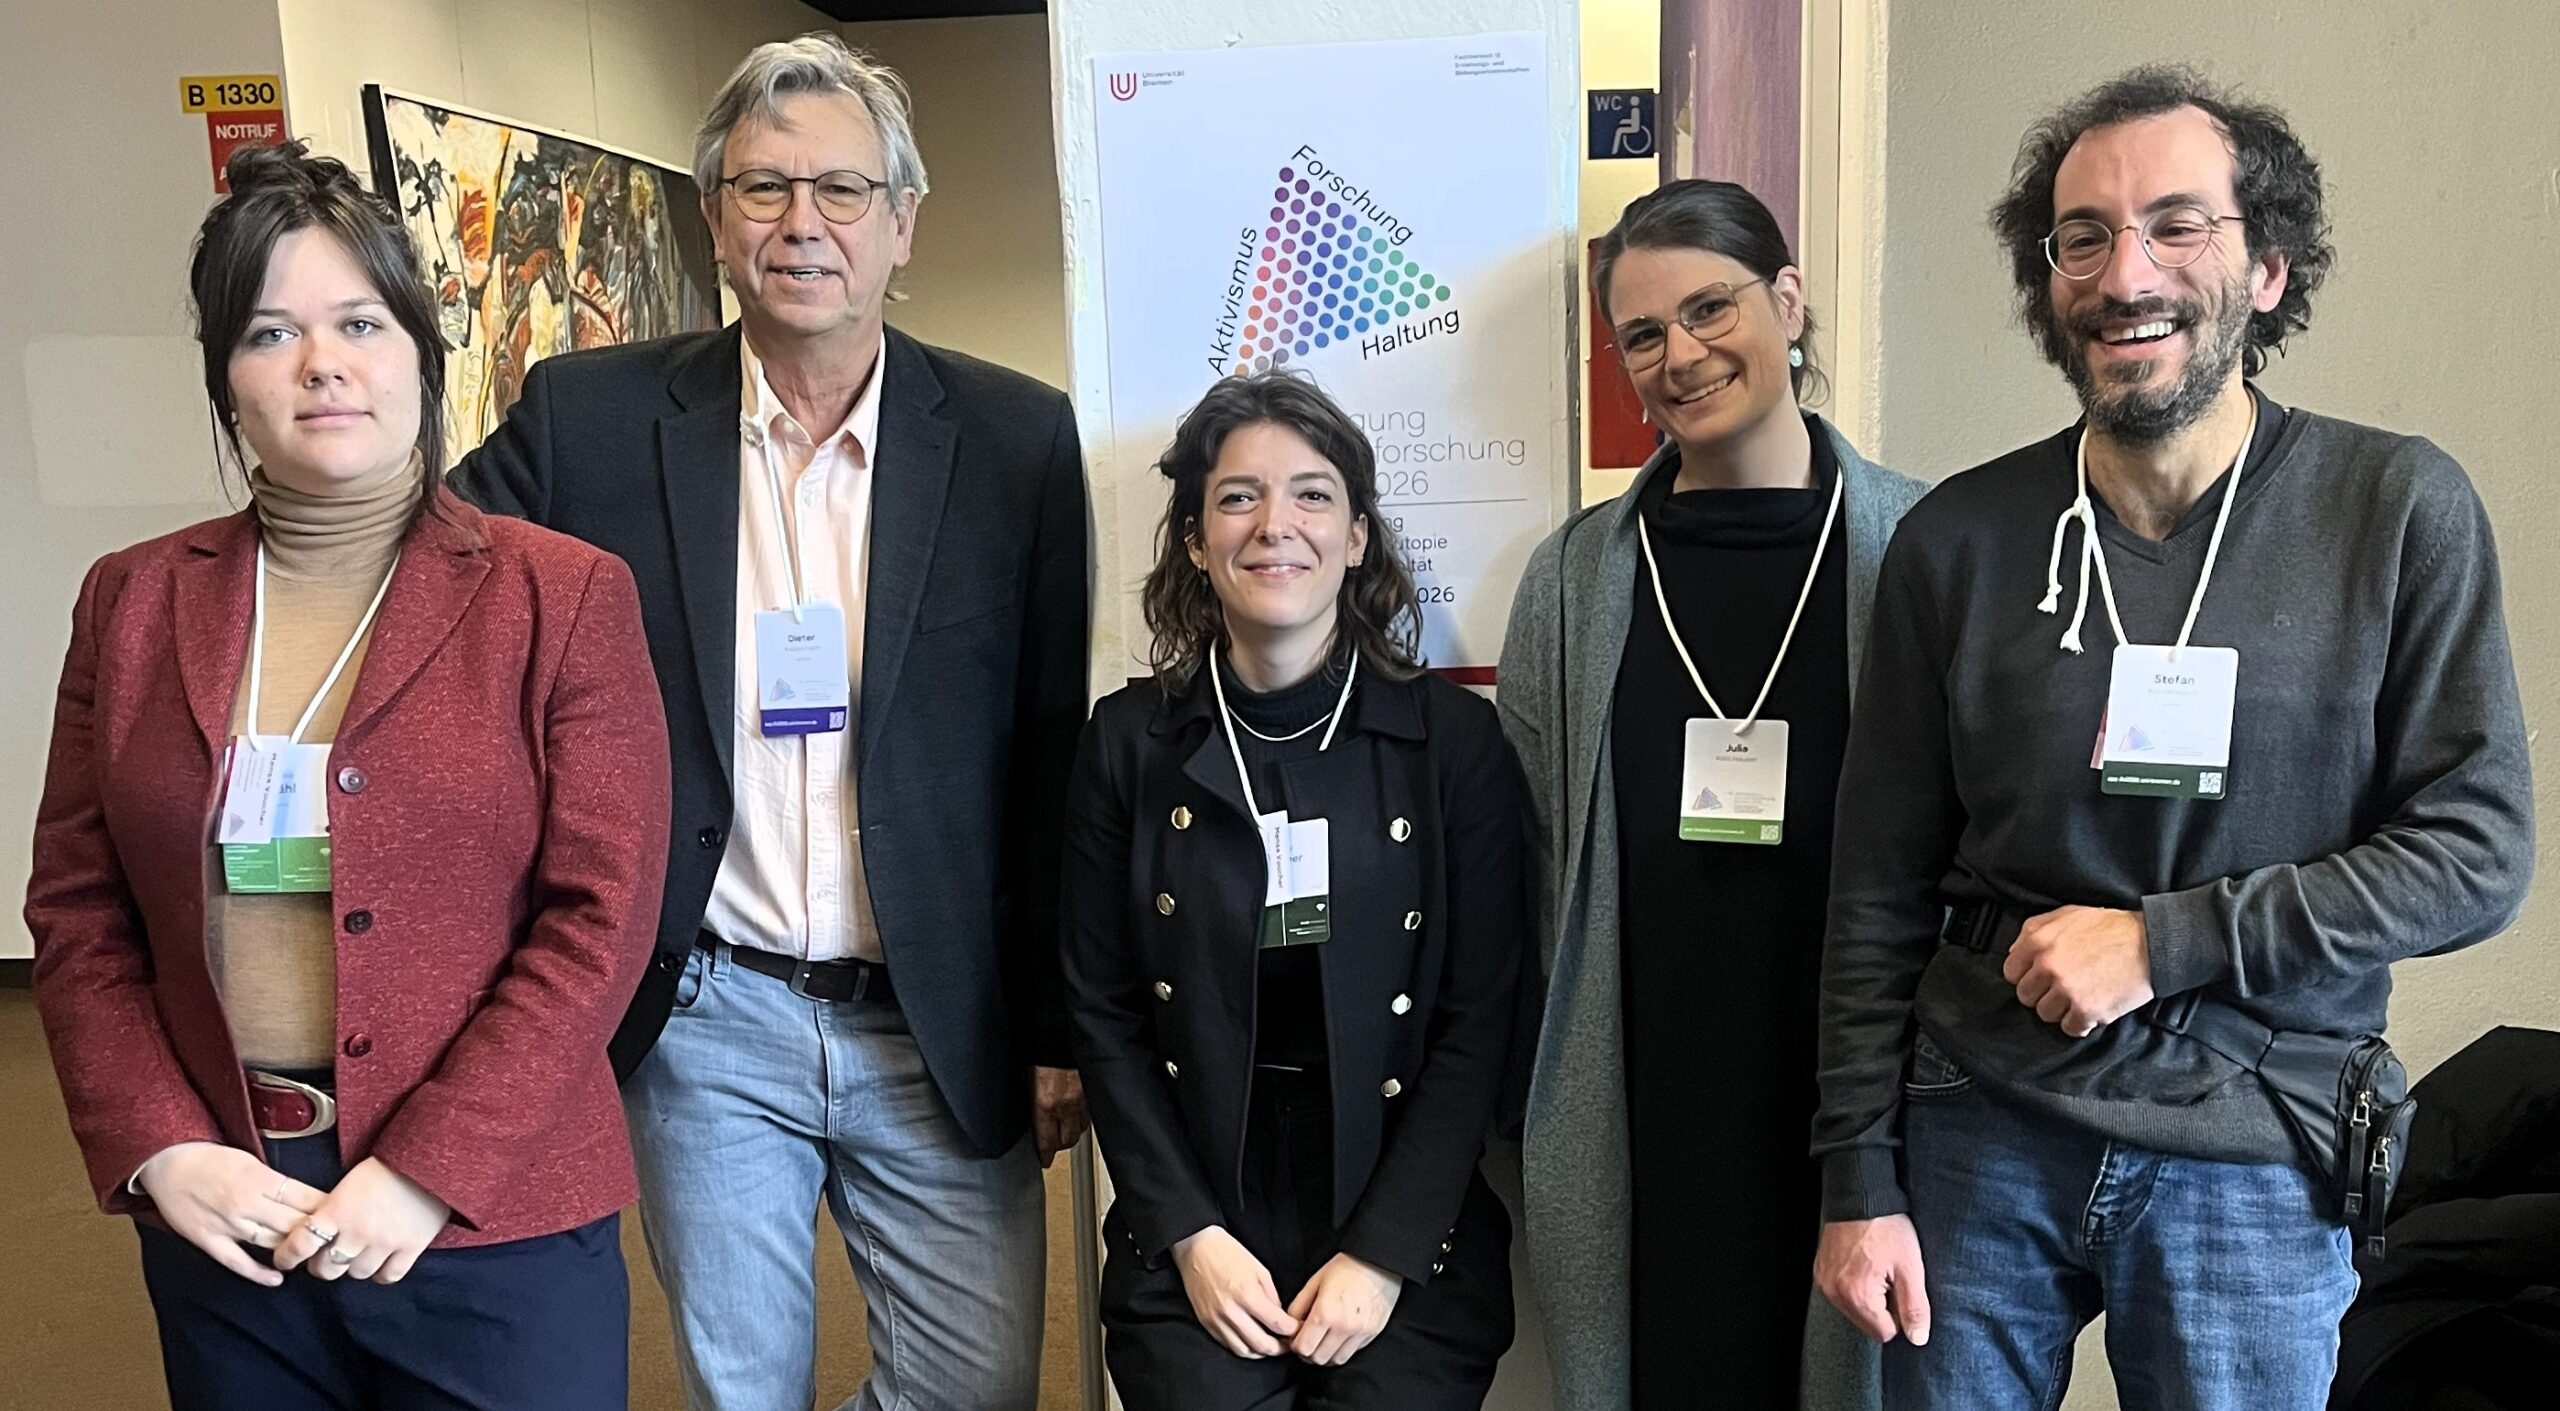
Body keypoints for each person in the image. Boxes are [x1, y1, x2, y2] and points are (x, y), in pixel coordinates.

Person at [1811, 66, 2534, 1411]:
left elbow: (2477, 850)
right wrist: (1858, 1175)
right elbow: (1878, 884)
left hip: (2256, 1133)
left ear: (2266, 266)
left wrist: (2163, 939)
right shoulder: (1958, 542)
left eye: (2175, 224)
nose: (2123, 269)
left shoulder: (2396, 508)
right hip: (1980, 1116)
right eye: (2082, 235)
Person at [449, 33, 1090, 1411]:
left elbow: (1051, 747)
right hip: (708, 1009)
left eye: (842, 190)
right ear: (713, 219)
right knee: (743, 1388)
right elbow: (427, 583)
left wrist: (1055, 1017)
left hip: (937, 1015)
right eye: (763, 189)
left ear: (904, 222)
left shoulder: (1014, 439)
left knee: (975, 1386)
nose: (803, 223)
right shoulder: (593, 420)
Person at [24, 140, 669, 1411]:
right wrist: (158, 1143)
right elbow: (77, 911)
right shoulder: (134, 601)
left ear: (422, 354)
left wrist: (428, 1165)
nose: (321, 362)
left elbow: (600, 921)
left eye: (358, 321)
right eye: (270, 332)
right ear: (225, 380)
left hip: (493, 1220)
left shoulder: (562, 595)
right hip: (231, 1213)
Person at [1495, 178, 1927, 1411]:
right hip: (1642, 1082)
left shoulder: (1922, 550)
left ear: (1786, 303)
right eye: (1643, 333)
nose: (1680, 355)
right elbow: (1528, 851)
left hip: (1855, 1086)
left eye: (1709, 308)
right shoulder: (1575, 578)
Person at [1062, 372, 1526, 1408]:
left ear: (1359, 535)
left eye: (1313, 495)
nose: (1276, 525)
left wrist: (1384, 1254)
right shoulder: (1127, 744)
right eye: (1237, 497)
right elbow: (1105, 1015)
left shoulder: (1451, 746)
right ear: (1193, 538)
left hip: (1399, 1202)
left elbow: (1478, 1020)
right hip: (1197, 1201)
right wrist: (1187, 1237)